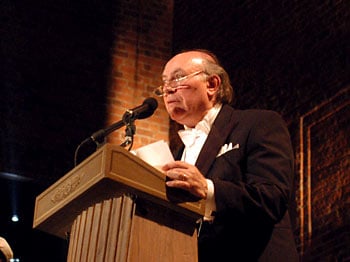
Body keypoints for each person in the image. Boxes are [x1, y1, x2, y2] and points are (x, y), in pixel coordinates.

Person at [154, 49, 299, 261]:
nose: (167, 90)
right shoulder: (178, 154)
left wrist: (207, 189)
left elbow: (272, 198)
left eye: (178, 78)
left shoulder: (257, 124)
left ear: (212, 84)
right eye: (164, 83)